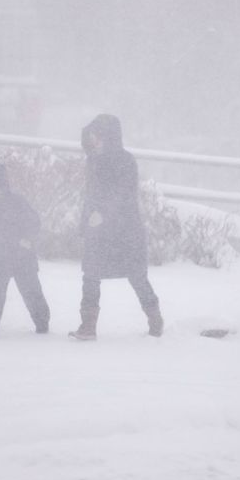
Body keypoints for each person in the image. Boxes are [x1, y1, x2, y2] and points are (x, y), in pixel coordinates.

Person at [70, 114, 163, 340]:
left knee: (137, 276)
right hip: (98, 231)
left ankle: (155, 321)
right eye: (92, 135)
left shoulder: (125, 161)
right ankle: (88, 327)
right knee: (90, 276)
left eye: (97, 135)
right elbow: (90, 196)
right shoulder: (92, 160)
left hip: (125, 231)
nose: (93, 140)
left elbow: (124, 194)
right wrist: (85, 225)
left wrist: (103, 214)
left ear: (108, 136)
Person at [0, 162, 51, 336]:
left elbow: (34, 221)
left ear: (3, 186)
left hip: (22, 256)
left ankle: (42, 321)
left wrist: (27, 239)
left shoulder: (17, 202)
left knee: (30, 290)